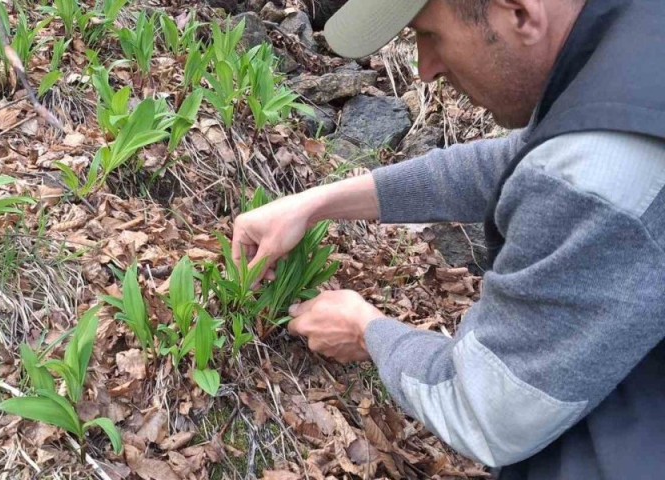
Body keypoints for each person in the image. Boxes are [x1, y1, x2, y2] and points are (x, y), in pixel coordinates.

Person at [230, 0, 665, 478]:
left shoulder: (601, 173)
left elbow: (489, 409)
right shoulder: (632, 45)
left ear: (519, 12)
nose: (424, 70)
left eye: (430, 35)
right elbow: (515, 162)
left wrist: (365, 330)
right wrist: (314, 203)